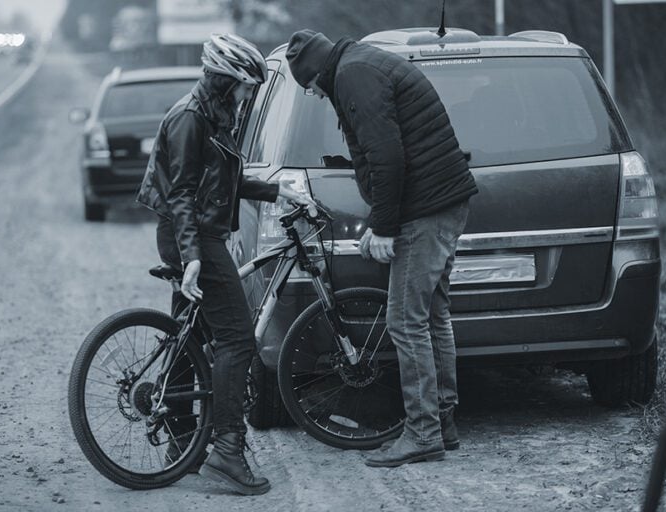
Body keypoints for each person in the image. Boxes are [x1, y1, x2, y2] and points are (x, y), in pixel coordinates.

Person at [286, 30, 478, 468]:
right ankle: (442, 422)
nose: (314, 95)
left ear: (317, 71)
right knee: (432, 315)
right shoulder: (361, 63)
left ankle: (423, 433)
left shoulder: (354, 75)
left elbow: (387, 156)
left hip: (424, 209)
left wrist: (383, 226)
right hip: (443, 201)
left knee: (404, 321)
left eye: (309, 86)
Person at [137, 33, 315, 495]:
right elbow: (180, 194)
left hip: (196, 235)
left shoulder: (213, 116)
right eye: (241, 87)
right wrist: (193, 258)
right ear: (223, 80)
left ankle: (183, 445)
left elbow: (223, 180)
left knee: (192, 334)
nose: (245, 96)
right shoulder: (190, 119)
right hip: (191, 237)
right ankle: (227, 454)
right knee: (237, 339)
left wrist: (279, 190)